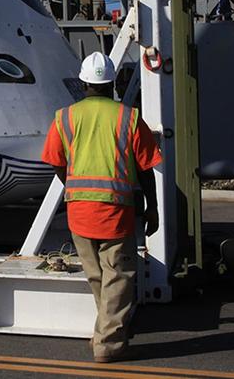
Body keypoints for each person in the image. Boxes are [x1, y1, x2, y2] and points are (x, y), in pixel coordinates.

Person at [41, 51, 162, 364]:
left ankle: (104, 332)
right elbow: (146, 168)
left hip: (79, 211)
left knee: (97, 277)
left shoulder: (64, 117)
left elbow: (56, 161)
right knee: (118, 277)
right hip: (115, 211)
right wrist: (152, 207)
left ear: (83, 83)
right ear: (113, 84)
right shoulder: (129, 118)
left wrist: (74, 185)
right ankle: (108, 344)